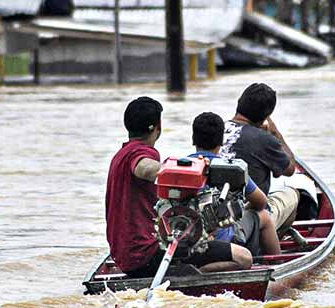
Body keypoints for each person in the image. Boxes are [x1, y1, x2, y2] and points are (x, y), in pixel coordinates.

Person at [105, 97, 251, 278]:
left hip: (124, 256)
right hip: (147, 254)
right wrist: (188, 170)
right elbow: (143, 167)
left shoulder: (119, 155)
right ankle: (186, 274)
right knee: (244, 258)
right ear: (158, 126)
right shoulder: (142, 153)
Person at [188, 112, 281, 256]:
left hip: (188, 237)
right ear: (221, 141)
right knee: (263, 216)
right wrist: (240, 211)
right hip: (224, 240)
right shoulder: (231, 169)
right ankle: (277, 264)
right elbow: (261, 202)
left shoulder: (180, 166)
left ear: (193, 139)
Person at [220, 83, 301, 236]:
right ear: (265, 117)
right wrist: (275, 133)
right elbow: (290, 169)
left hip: (215, 213)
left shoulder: (216, 130)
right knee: (293, 194)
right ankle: (267, 237)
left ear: (239, 103)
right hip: (249, 215)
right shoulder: (264, 139)